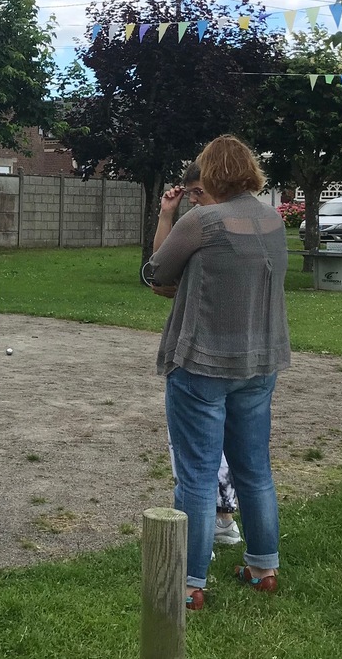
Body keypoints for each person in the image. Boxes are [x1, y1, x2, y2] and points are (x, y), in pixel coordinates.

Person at [147, 135, 290, 612]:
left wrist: (169, 227)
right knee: (255, 469)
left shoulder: (202, 221)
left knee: (197, 474)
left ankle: (190, 583)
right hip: (259, 362)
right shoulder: (274, 220)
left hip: (202, 363)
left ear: (210, 173)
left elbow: (157, 272)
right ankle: (263, 568)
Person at [154, 162, 242, 549]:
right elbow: (159, 270)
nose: (193, 200)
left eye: (199, 192)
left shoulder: (216, 226)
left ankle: (203, 537)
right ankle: (223, 522)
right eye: (190, 193)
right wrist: (166, 216)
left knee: (196, 449)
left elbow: (163, 279)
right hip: (233, 353)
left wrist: (171, 281)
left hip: (201, 353)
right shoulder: (202, 224)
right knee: (216, 443)